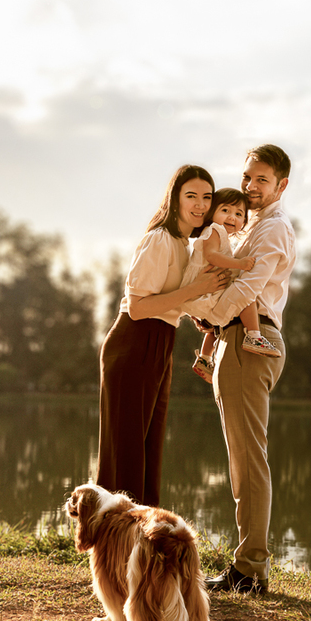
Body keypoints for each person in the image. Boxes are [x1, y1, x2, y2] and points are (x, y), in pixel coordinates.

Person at [95, 165, 229, 507]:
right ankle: (114, 541)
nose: (200, 205)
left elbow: (167, 301)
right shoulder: (159, 239)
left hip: (160, 342)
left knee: (148, 448)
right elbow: (138, 307)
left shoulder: (185, 245)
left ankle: (140, 538)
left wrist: (195, 310)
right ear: (175, 199)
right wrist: (195, 290)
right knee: (126, 450)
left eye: (207, 197)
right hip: (133, 342)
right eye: (191, 196)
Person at [195, 145, 296, 595]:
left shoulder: (272, 230)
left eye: (262, 180)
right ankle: (247, 566)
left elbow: (250, 285)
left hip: (249, 343)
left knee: (248, 458)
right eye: (248, 178)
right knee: (242, 457)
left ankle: (251, 571)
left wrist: (215, 317)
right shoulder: (248, 227)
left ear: (281, 185)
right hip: (236, 341)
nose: (252, 188)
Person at [181, 188, 281, 384]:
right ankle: (253, 335)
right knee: (245, 293)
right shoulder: (214, 230)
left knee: (215, 325)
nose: (232, 217)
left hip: (207, 289)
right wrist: (240, 264)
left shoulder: (220, 235)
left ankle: (204, 358)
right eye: (225, 210)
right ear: (212, 212)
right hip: (206, 286)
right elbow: (211, 256)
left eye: (238, 214)